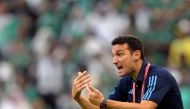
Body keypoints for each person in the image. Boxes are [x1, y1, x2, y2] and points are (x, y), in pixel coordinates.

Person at [72, 35, 183, 109]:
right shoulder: (125, 82)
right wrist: (79, 98)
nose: (114, 61)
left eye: (119, 54)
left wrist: (104, 102)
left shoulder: (158, 76)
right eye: (113, 56)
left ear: (136, 55)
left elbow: (146, 107)